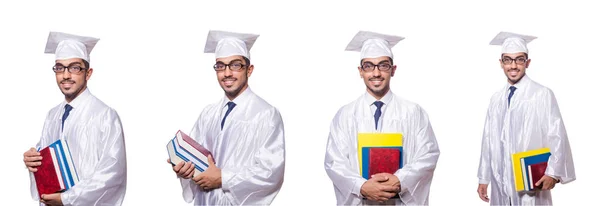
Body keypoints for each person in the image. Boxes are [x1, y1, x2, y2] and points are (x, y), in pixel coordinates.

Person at [324, 31, 440, 205]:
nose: (376, 73)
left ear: (393, 70)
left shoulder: (413, 112)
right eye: (369, 66)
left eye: (383, 65)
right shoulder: (345, 115)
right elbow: (334, 162)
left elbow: (428, 154)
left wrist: (400, 180)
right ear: (360, 71)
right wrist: (361, 186)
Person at [170, 30, 285, 205]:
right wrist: (185, 169)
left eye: (235, 65)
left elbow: (271, 172)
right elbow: (197, 159)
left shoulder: (266, 114)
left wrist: (223, 178)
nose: (227, 73)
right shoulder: (208, 114)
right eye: (220, 66)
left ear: (249, 69)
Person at [22, 31, 127, 205]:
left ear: (88, 73)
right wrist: (33, 161)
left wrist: (66, 199)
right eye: (59, 68)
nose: (65, 75)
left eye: (75, 67)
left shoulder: (105, 115)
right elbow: (49, 164)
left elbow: (113, 174)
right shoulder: (52, 115)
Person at [477, 31, 576, 205]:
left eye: (519, 59)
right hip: (501, 182)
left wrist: (552, 172)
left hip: (531, 182)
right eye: (508, 60)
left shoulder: (541, 94)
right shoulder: (496, 99)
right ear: (501, 63)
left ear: (527, 62)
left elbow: (557, 135)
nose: (513, 65)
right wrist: (484, 177)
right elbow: (488, 141)